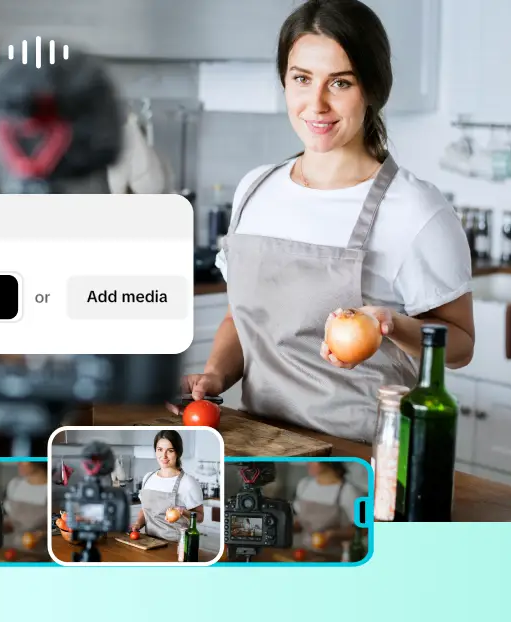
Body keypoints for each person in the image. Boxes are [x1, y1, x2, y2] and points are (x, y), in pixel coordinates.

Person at [171, 0, 475, 443]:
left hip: (366, 456)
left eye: (340, 82)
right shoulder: (256, 189)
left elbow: (461, 345)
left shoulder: (415, 210)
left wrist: (391, 325)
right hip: (262, 447)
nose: (316, 104)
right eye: (301, 79)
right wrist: (215, 377)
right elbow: (243, 317)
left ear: (373, 88)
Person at [131, 430, 205, 541]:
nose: (164, 456)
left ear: (178, 453)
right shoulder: (148, 478)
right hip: (150, 542)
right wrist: (137, 524)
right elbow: (145, 510)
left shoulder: (188, 483)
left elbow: (200, 517)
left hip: (176, 546)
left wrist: (183, 512)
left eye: (170, 451)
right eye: (160, 450)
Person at [292, 462, 362, 554]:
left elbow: (363, 529)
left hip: (334, 557)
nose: (308, 463)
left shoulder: (349, 491)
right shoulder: (304, 485)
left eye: (314, 461)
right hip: (304, 552)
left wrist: (333, 534)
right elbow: (300, 522)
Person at [1, 462, 49, 551]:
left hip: (41, 553)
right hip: (13, 548)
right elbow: (11, 522)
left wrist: (43, 534)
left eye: (25, 460)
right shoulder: (15, 484)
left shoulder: (52, 490)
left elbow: (59, 526)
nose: (19, 462)